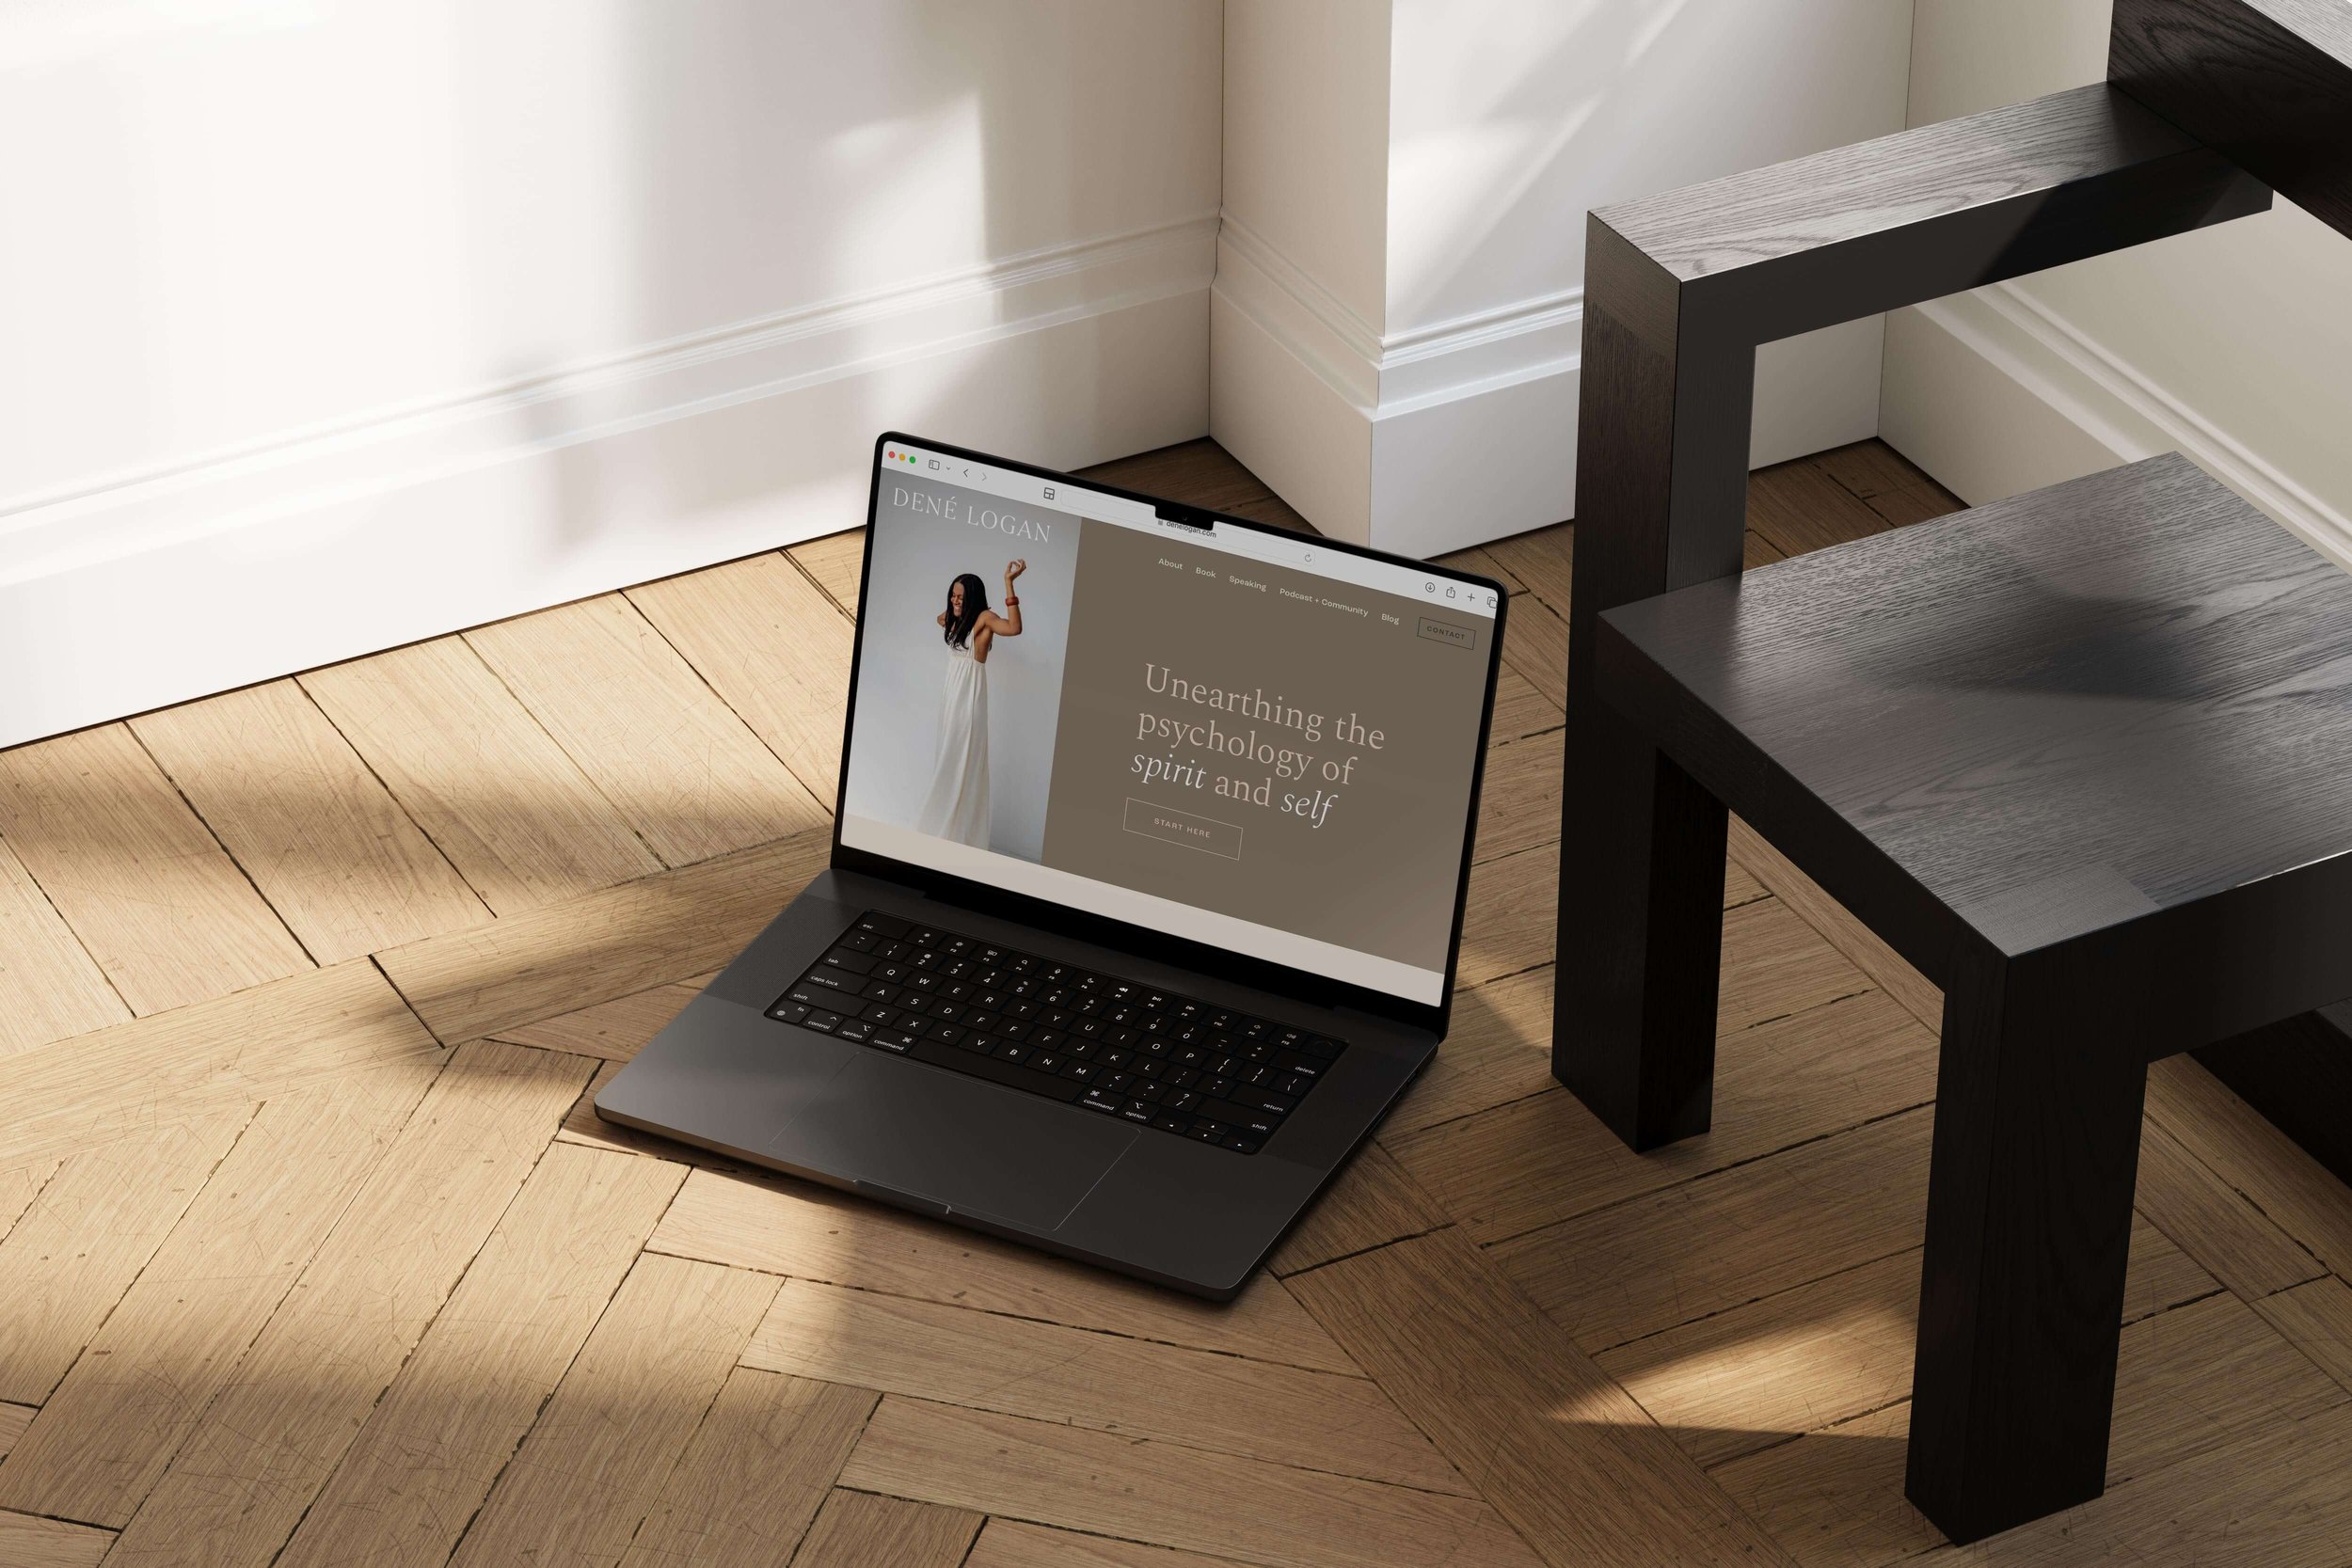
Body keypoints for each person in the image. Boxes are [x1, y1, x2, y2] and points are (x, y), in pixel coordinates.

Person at [914, 559, 1025, 847]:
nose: (955, 600)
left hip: (970, 697)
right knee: (948, 755)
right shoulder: (957, 620)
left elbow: (1014, 629)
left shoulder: (986, 618)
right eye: (953, 595)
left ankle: (956, 832)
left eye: (961, 597)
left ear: (973, 598)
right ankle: (946, 827)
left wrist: (1009, 584)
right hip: (952, 696)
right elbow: (941, 618)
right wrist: (955, 609)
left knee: (962, 758)